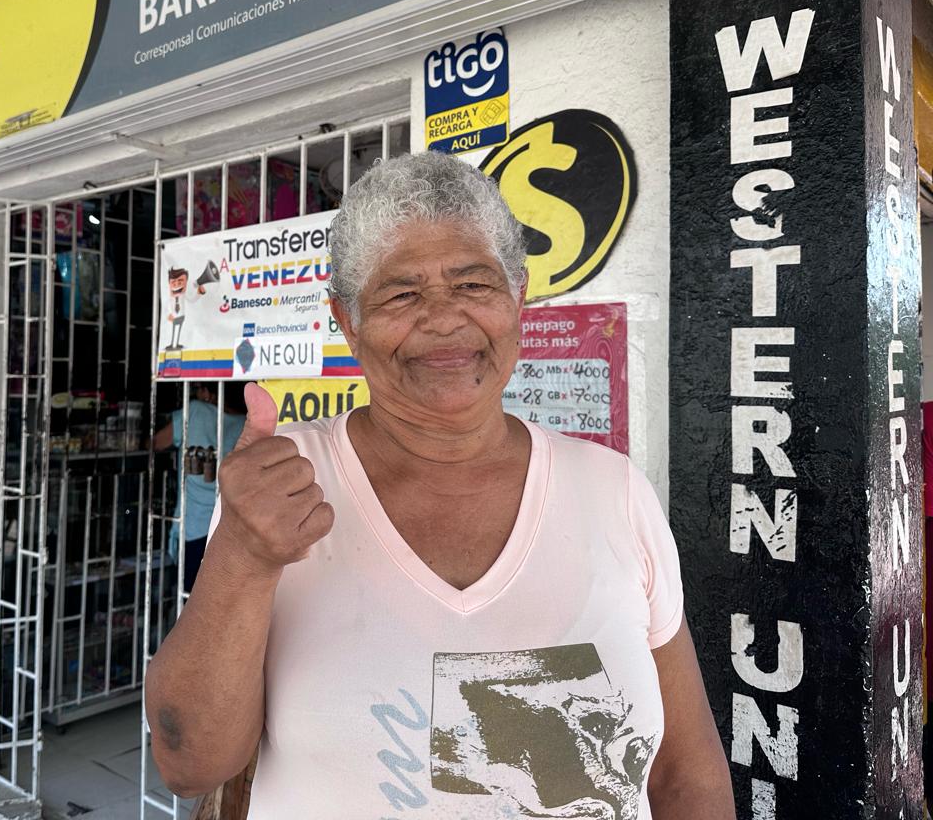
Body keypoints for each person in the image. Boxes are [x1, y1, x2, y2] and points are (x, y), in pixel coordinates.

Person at [145, 152, 733, 818]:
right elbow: (190, 763)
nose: (444, 318)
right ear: (348, 322)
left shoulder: (615, 491)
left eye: (474, 284)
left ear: (518, 297)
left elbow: (688, 775)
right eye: (401, 293)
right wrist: (244, 558)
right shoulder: (283, 493)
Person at [152, 383, 247, 592]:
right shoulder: (249, 423)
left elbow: (156, 442)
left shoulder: (195, 411)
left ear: (207, 392)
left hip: (194, 526)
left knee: (190, 599)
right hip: (232, 525)